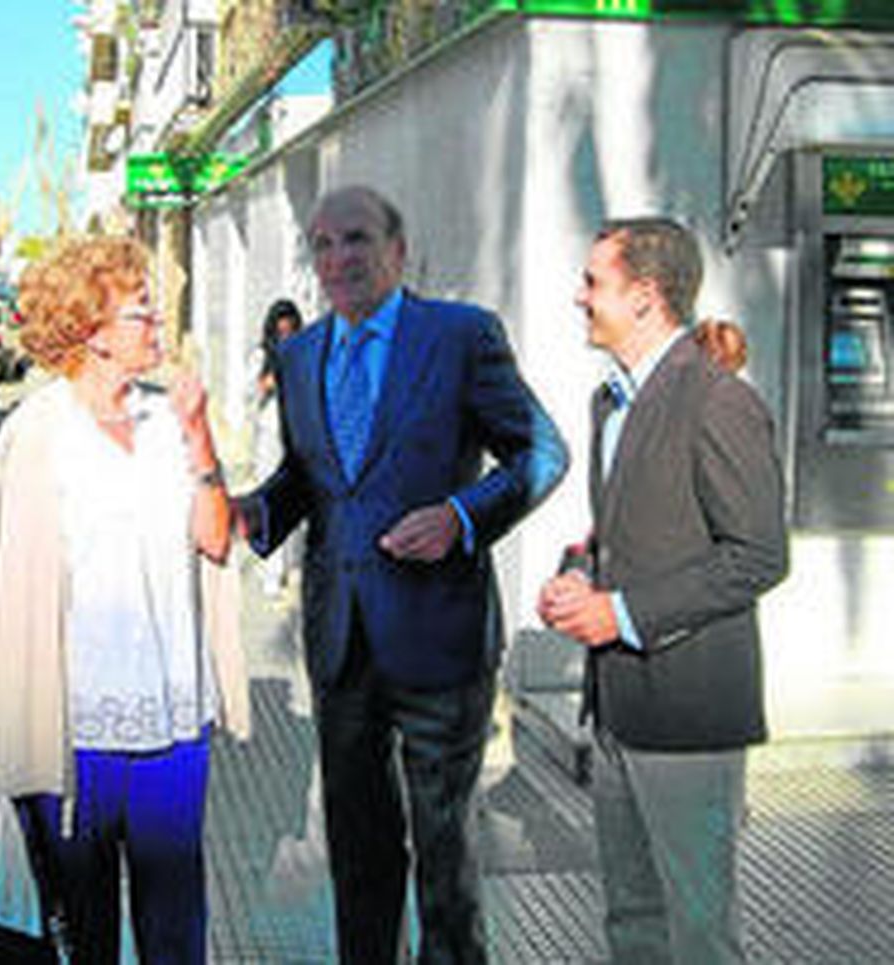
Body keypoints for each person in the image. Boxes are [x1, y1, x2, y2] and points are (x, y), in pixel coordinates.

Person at [234, 185, 568, 964]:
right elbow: (308, 477)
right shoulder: (299, 354)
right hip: (341, 641)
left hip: (439, 638)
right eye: (322, 244)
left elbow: (541, 451)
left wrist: (461, 516)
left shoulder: (460, 336)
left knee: (445, 856)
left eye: (355, 238)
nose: (337, 258)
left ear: (398, 248)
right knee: (358, 848)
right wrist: (255, 511)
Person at [0, 235, 250, 964]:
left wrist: (199, 433)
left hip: (172, 719)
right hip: (72, 726)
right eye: (141, 312)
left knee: (175, 928)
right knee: (83, 934)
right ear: (92, 331)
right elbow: (6, 593)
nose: (158, 324)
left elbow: (217, 541)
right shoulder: (36, 434)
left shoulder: (168, 420)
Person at [537, 218, 787, 964]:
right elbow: (634, 533)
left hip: (690, 715)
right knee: (632, 919)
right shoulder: (609, 402)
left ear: (645, 296)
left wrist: (619, 613)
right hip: (618, 707)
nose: (579, 296)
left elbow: (759, 555)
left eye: (593, 282)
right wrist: (582, 574)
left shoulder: (716, 401)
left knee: (699, 929)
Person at [252, 298, 305, 598]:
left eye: (291, 331)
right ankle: (271, 573)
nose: (286, 337)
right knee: (272, 501)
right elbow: (248, 392)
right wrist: (266, 383)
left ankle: (293, 566)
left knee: (298, 499)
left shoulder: (305, 354)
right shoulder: (261, 356)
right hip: (271, 433)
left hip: (297, 435)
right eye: (281, 332)